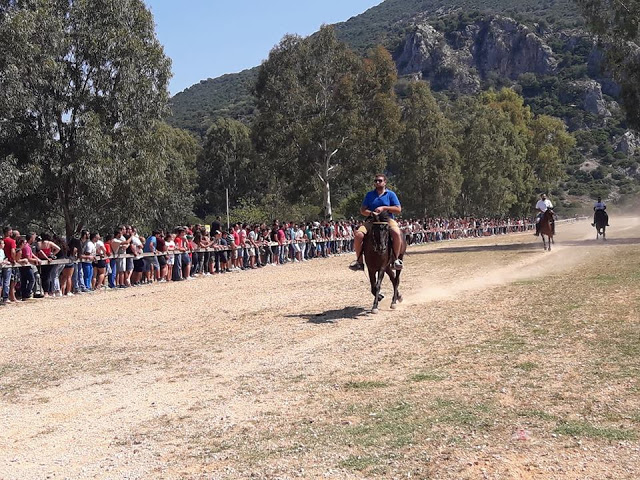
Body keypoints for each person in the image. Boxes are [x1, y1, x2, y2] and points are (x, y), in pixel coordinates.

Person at [349, 174, 403, 271]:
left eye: (379, 180)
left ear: (385, 182)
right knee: (358, 235)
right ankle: (359, 262)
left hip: (387, 220)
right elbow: (362, 210)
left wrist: (384, 208)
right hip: (372, 220)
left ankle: (395, 260)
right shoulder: (369, 195)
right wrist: (372, 213)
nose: (377, 182)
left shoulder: (391, 194)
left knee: (396, 233)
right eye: (375, 181)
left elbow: (398, 209)